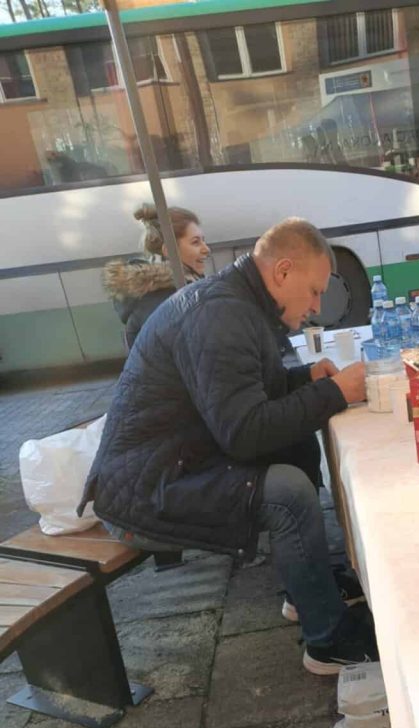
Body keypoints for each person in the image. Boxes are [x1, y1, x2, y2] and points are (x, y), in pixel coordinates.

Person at [81, 217, 377, 674]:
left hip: (174, 461)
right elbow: (244, 433)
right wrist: (333, 393)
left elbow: (243, 392)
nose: (318, 306)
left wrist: (305, 379)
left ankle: (306, 591)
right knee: (288, 493)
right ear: (282, 271)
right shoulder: (221, 315)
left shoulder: (238, 302)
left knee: (298, 445)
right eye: (315, 291)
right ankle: (327, 642)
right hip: (145, 490)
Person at [103, 203, 210, 350]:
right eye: (196, 242)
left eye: (203, 241)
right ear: (169, 251)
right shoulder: (170, 301)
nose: (206, 249)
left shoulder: (168, 292)